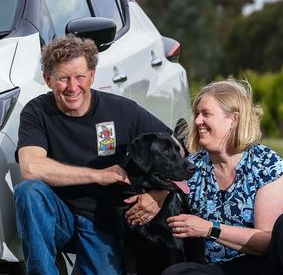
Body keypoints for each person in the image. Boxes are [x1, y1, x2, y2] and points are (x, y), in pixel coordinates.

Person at [14, 35, 172, 275]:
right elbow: (30, 168)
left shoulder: (121, 110)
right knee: (29, 192)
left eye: (79, 77)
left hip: (104, 221)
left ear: (92, 75)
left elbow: (175, 147)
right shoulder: (36, 111)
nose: (72, 87)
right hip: (59, 217)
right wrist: (97, 175)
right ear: (48, 80)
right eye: (63, 79)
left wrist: (159, 194)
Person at [162, 80, 283, 275]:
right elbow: (165, 186)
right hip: (224, 269)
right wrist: (152, 196)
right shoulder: (194, 166)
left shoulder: (267, 165)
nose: (197, 121)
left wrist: (210, 228)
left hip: (271, 266)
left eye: (206, 114)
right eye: (197, 114)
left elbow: (266, 242)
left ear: (233, 120)